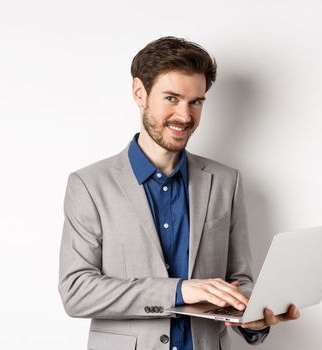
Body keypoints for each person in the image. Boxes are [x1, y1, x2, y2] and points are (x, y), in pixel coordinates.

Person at [57, 36, 300, 350]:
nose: (185, 116)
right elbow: (77, 292)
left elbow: (240, 279)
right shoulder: (89, 185)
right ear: (139, 93)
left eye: (196, 102)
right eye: (171, 98)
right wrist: (179, 291)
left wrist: (249, 318)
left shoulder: (226, 181)